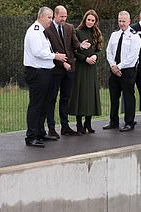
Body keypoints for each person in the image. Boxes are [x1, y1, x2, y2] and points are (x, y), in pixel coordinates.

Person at [45, 5, 91, 138]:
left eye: (65, 16)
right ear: (55, 15)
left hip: (70, 69)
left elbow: (75, 44)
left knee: (65, 98)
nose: (64, 19)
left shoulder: (69, 28)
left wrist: (81, 45)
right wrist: (62, 63)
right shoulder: (47, 29)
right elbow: (49, 52)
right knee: (52, 99)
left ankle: (65, 127)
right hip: (55, 70)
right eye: (61, 16)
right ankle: (51, 128)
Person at [23, 7, 67, 148]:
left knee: (44, 104)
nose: (50, 20)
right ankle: (31, 136)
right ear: (41, 17)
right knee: (36, 105)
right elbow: (37, 52)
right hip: (37, 72)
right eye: (48, 17)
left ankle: (40, 132)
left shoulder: (42, 32)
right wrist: (55, 56)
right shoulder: (35, 31)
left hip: (45, 72)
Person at [103, 11, 141, 132]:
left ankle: (129, 122)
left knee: (128, 96)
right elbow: (108, 51)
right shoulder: (114, 35)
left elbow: (132, 56)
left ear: (129, 21)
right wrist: (113, 66)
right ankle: (113, 121)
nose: (121, 23)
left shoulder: (135, 36)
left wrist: (119, 67)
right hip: (114, 70)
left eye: (124, 21)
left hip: (127, 71)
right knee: (114, 97)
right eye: (119, 21)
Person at [68, 10, 102, 135]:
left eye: (93, 20)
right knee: (80, 94)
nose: (90, 22)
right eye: (89, 19)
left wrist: (95, 57)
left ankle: (88, 123)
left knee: (90, 95)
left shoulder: (96, 33)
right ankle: (79, 124)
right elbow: (74, 50)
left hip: (92, 68)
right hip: (81, 67)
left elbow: (98, 49)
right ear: (84, 19)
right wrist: (85, 58)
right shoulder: (77, 32)